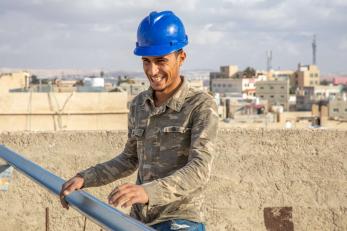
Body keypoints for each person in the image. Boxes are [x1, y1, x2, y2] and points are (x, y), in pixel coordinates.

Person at [60, 10, 218, 231]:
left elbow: (200, 168)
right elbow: (129, 158)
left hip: (180, 220)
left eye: (161, 61)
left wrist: (147, 192)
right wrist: (85, 178)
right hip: (139, 221)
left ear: (181, 58)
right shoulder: (139, 105)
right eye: (146, 61)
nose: (152, 71)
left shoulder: (200, 105)